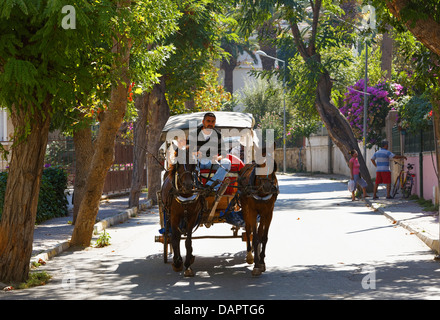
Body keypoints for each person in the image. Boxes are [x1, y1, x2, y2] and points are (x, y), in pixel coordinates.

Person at [188, 112, 231, 190]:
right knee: (191, 160)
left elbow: (223, 152)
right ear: (203, 122)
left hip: (211, 162)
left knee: (227, 162)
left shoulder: (218, 135)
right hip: (197, 162)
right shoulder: (194, 134)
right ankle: (196, 185)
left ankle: (211, 186)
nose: (210, 123)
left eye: (213, 121)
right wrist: (196, 153)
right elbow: (188, 150)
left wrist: (218, 158)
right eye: (208, 121)